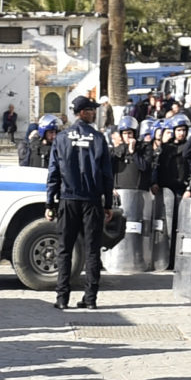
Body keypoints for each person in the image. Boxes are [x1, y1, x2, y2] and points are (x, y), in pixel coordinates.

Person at [48, 94, 115, 310]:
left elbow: (53, 172)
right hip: (91, 201)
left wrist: (50, 202)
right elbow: (107, 174)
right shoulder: (97, 138)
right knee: (92, 250)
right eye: (91, 109)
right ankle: (90, 299)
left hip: (68, 199)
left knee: (65, 249)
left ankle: (62, 298)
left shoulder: (61, 138)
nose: (94, 112)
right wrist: (107, 204)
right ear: (82, 112)